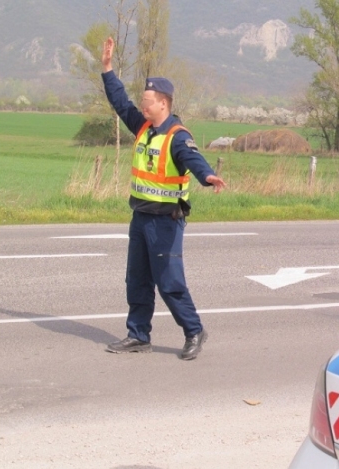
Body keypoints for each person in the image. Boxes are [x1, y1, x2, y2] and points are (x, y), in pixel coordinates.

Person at [101, 37, 226, 359]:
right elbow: (119, 102)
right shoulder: (143, 127)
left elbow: (193, 160)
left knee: (169, 282)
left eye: (147, 101)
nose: (142, 105)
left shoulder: (177, 136)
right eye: (142, 100)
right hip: (140, 217)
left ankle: (194, 331)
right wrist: (107, 69)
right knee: (137, 281)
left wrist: (208, 176)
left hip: (166, 222)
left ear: (163, 104)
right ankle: (138, 335)